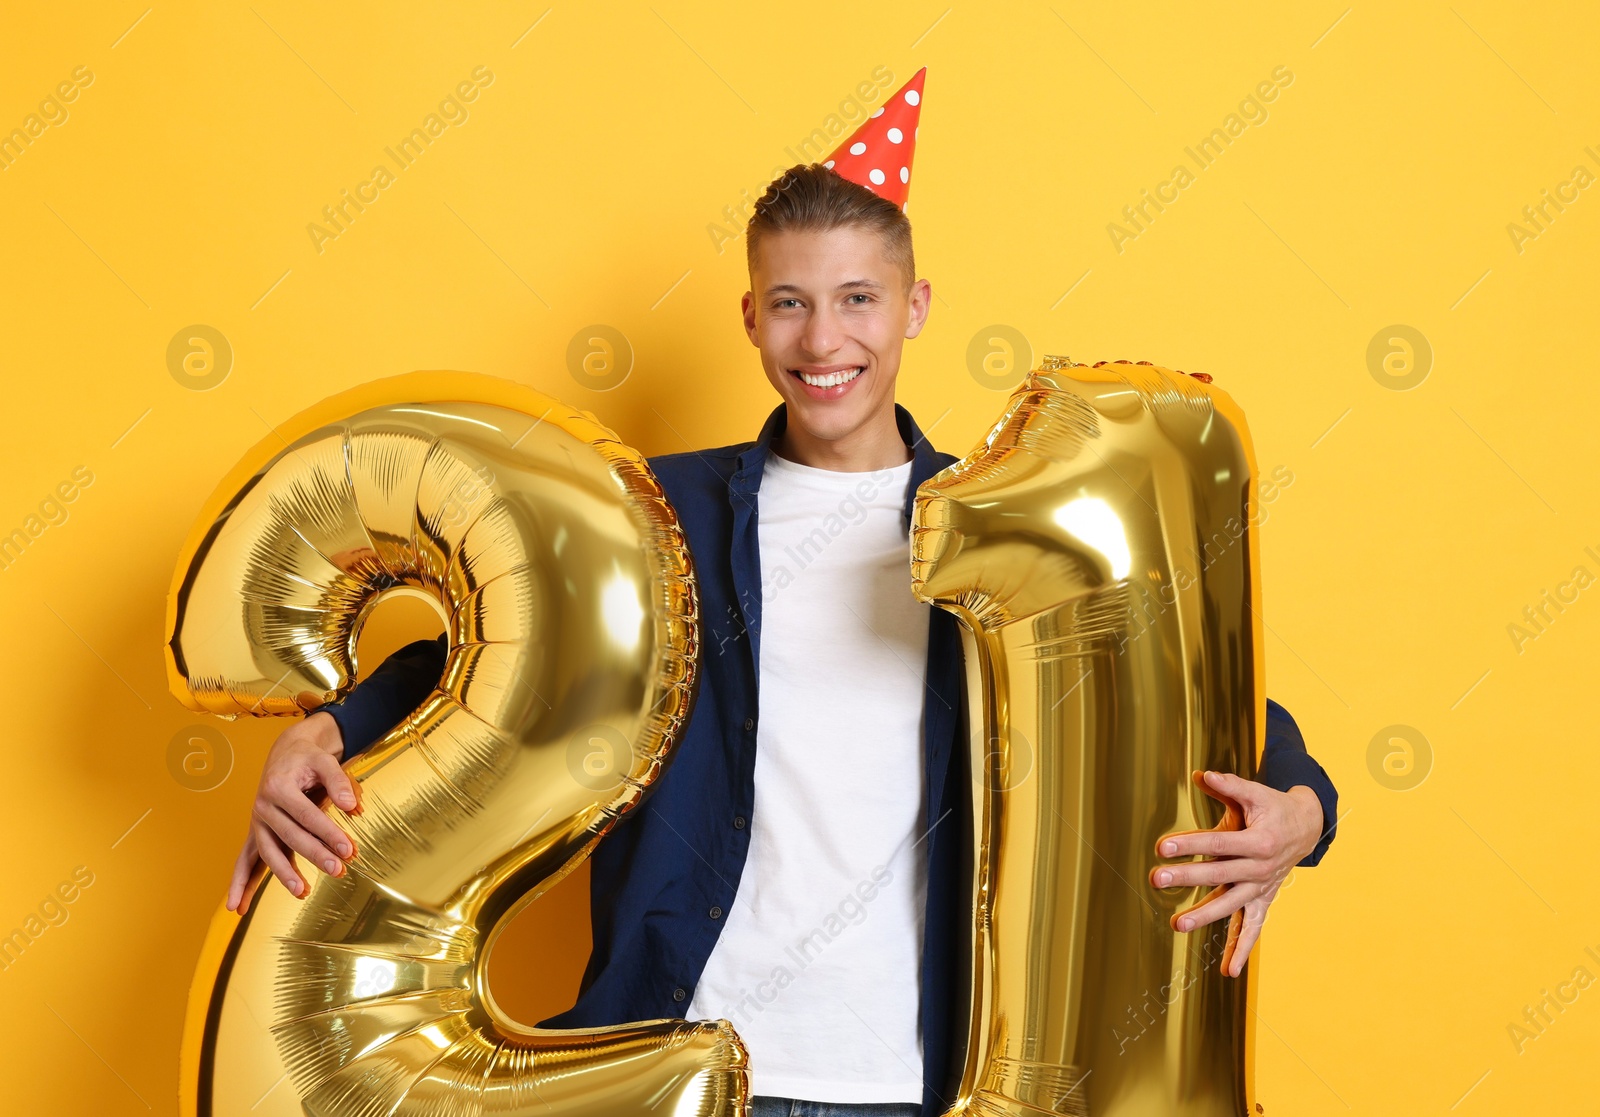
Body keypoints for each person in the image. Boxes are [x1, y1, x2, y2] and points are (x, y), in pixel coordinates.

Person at [224, 69, 1338, 1117]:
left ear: (915, 307)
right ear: (749, 317)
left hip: (920, 1070)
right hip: (678, 1057)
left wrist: (1303, 809)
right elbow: (498, 650)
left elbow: (1188, 693)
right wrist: (325, 725)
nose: (824, 339)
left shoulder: (999, 531)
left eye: (858, 298)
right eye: (791, 303)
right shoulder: (655, 514)